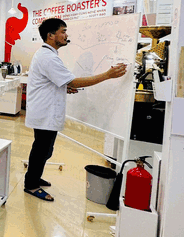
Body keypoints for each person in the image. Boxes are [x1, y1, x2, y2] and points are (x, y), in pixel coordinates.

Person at [25, 18, 127, 201]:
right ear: (50, 35)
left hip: (45, 110)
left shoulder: (47, 55)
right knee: (41, 150)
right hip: (44, 112)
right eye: (63, 31)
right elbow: (73, 81)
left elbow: (52, 81)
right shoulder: (48, 57)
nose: (66, 35)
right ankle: (31, 184)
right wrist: (107, 75)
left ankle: (34, 177)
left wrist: (64, 87)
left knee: (44, 150)